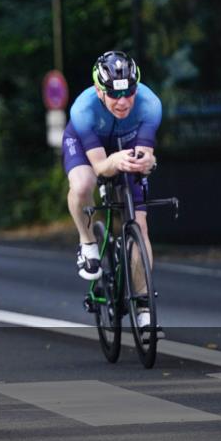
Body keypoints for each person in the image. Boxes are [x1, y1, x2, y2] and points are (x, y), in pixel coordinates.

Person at [63, 51, 161, 329]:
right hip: (89, 150)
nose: (122, 102)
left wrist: (147, 162)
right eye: (114, 94)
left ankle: (143, 303)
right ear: (98, 90)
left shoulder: (150, 104)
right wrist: (113, 162)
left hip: (124, 147)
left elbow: (144, 155)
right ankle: (87, 242)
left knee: (140, 226)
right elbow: (99, 167)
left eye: (129, 92)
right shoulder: (83, 110)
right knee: (83, 184)